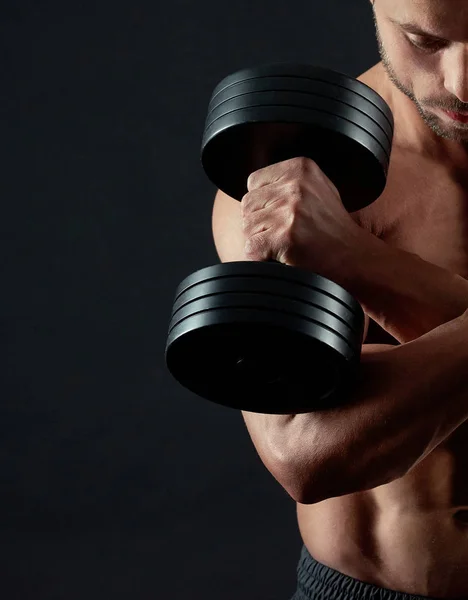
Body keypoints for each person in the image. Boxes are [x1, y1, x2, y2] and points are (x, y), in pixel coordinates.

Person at [212, 0, 468, 598]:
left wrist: (361, 262)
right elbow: (307, 454)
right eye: (425, 41)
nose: (461, 83)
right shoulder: (301, 183)